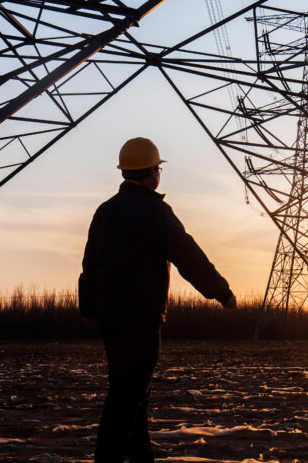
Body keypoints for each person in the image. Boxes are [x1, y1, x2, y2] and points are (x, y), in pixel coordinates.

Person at [79, 137, 237, 463]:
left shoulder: (105, 211)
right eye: (158, 168)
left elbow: (89, 265)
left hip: (111, 319)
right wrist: (222, 292)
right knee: (128, 397)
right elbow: (190, 258)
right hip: (141, 320)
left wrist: (89, 308)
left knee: (133, 394)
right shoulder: (156, 212)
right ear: (153, 172)